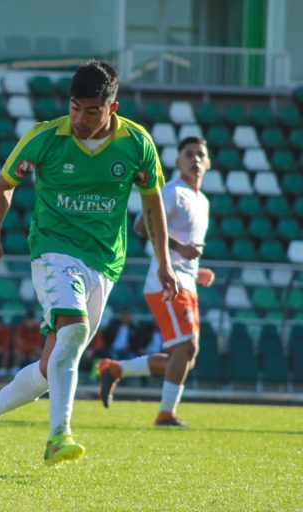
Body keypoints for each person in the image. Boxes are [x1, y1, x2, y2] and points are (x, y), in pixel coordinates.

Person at [0, 60, 178, 468]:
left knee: (52, 366)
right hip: (53, 249)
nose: (80, 119)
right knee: (75, 329)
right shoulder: (45, 137)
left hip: (105, 261)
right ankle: (59, 435)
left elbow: (152, 201)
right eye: (74, 108)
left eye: (91, 111)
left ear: (112, 109)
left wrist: (164, 260)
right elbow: (4, 184)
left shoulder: (137, 144)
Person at [97, 136, 215, 427]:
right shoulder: (172, 192)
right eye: (189, 154)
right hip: (167, 282)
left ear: (208, 163)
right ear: (178, 162)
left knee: (185, 357)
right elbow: (141, 224)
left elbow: (186, 245)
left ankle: (115, 369)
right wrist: (179, 249)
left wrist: (196, 269)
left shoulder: (202, 200)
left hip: (187, 280)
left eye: (200, 155)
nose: (195, 159)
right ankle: (165, 414)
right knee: (185, 349)